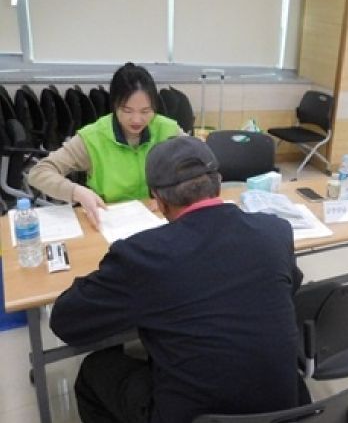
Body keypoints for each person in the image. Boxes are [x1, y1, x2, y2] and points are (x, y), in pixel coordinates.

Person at [49, 136, 305, 423]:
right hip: (286, 411)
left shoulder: (142, 255)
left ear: (157, 199)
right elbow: (290, 286)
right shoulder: (275, 231)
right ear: (219, 182)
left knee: (95, 369)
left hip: (192, 417)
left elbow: (65, 322)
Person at [28, 62, 182, 228]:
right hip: (111, 223)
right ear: (114, 105)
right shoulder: (93, 137)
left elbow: (199, 166)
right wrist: (77, 192)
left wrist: (170, 196)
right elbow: (39, 172)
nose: (137, 119)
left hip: (158, 220)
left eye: (145, 111)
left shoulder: (167, 130)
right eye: (127, 111)